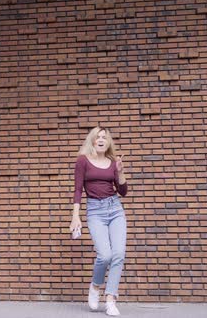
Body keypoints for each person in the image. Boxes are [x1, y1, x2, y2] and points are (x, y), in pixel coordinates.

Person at [70, 126, 128, 316]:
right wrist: (75, 216)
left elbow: (123, 191)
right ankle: (96, 286)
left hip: (115, 209)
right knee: (105, 255)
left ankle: (111, 298)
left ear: (108, 142)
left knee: (118, 254)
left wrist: (119, 172)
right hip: (95, 210)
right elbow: (78, 189)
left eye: (105, 137)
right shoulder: (82, 161)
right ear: (92, 141)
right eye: (98, 137)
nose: (102, 139)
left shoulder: (112, 162)